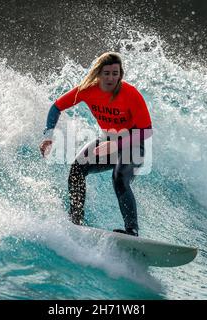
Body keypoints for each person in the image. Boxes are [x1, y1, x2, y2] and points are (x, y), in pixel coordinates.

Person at [39, 52, 152, 237]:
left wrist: (117, 145)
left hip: (133, 144)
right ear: (98, 73)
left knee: (120, 177)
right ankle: (75, 220)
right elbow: (56, 107)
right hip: (108, 140)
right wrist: (48, 135)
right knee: (77, 168)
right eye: (106, 73)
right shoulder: (87, 90)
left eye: (115, 73)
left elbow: (146, 130)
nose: (111, 78)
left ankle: (132, 230)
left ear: (120, 74)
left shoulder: (130, 94)